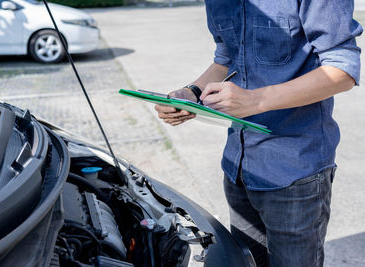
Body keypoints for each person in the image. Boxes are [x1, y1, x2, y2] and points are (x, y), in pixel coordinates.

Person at [154, 0, 362, 266]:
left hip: (295, 173)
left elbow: (343, 69)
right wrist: (191, 93)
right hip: (237, 168)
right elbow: (227, 57)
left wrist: (255, 100)